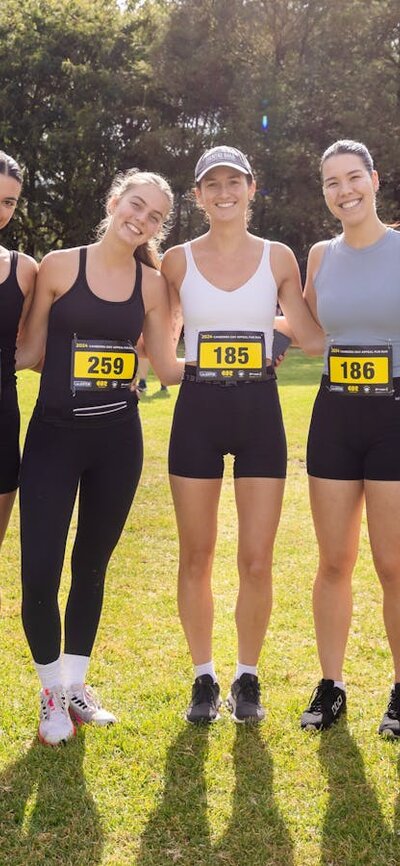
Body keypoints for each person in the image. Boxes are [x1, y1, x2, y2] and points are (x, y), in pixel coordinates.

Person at [16, 168, 183, 745]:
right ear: (114, 201)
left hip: (117, 443)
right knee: (38, 570)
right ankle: (49, 692)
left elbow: (165, 368)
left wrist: (255, 351)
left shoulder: (153, 287)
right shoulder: (60, 265)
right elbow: (31, 349)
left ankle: (77, 687)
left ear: (159, 226)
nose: (141, 218)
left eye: (155, 216)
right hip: (53, 439)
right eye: (135, 205)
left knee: (90, 568)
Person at [162, 145, 322, 724]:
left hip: (260, 414)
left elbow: (310, 335)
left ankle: (246, 677)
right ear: (198, 195)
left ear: (252, 189)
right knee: (197, 554)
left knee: (256, 559)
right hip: (197, 414)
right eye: (212, 184)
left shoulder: (279, 257)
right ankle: (204, 678)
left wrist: (275, 334)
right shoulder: (175, 262)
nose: (224, 192)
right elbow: (162, 352)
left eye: (235, 182)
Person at [299, 139, 400, 737]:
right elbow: (308, 329)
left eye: (353, 177)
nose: (345, 190)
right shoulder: (319, 255)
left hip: (394, 417)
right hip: (334, 418)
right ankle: (332, 685)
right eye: (332, 182)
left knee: (393, 564)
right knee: (335, 561)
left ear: (375, 180)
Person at [0, 151, 37, 592]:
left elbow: (37, 351)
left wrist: (116, 369)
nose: (2, 210)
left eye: (10, 202)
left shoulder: (24, 271)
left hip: (3, 420)